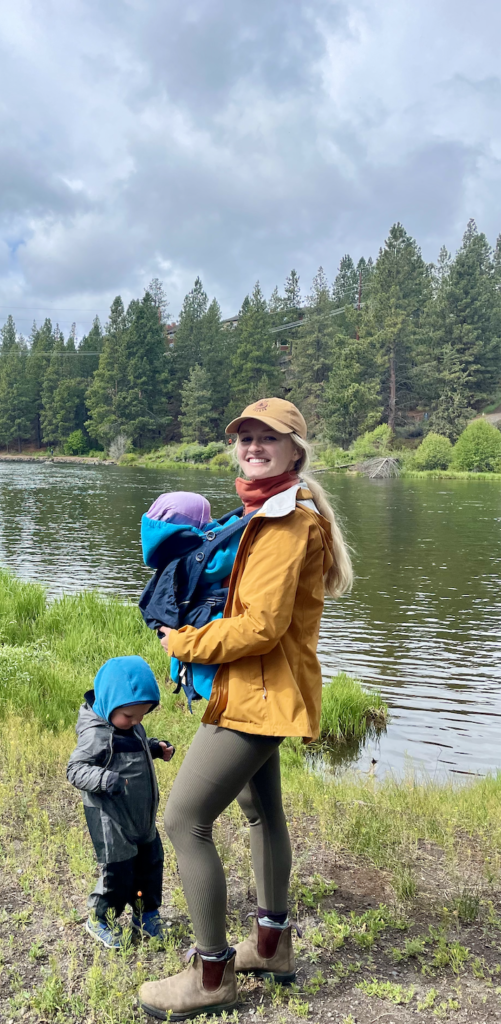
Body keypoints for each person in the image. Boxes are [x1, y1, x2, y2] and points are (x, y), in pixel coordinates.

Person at [138, 398, 353, 1021]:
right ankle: (271, 947)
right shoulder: (271, 510)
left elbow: (259, 627)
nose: (253, 446)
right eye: (246, 437)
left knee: (183, 820)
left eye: (268, 438)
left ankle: (210, 977)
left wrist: (182, 642)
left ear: (295, 451)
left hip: (257, 697)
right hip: (264, 689)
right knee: (261, 813)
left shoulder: (286, 524)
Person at [67, 655, 176, 949]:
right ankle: (100, 918)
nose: (136, 722)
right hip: (110, 816)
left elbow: (133, 746)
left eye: (142, 716)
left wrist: (153, 747)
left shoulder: (129, 726)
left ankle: (145, 913)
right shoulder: (96, 734)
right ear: (110, 704)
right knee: (119, 871)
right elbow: (74, 770)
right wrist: (105, 779)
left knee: (150, 863)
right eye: (129, 716)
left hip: (140, 814)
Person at [139, 491, 256, 709]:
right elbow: (220, 563)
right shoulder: (197, 556)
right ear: (190, 525)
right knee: (210, 675)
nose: (212, 522)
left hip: (189, 629)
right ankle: (216, 696)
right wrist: (236, 527)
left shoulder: (174, 550)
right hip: (205, 627)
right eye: (207, 519)